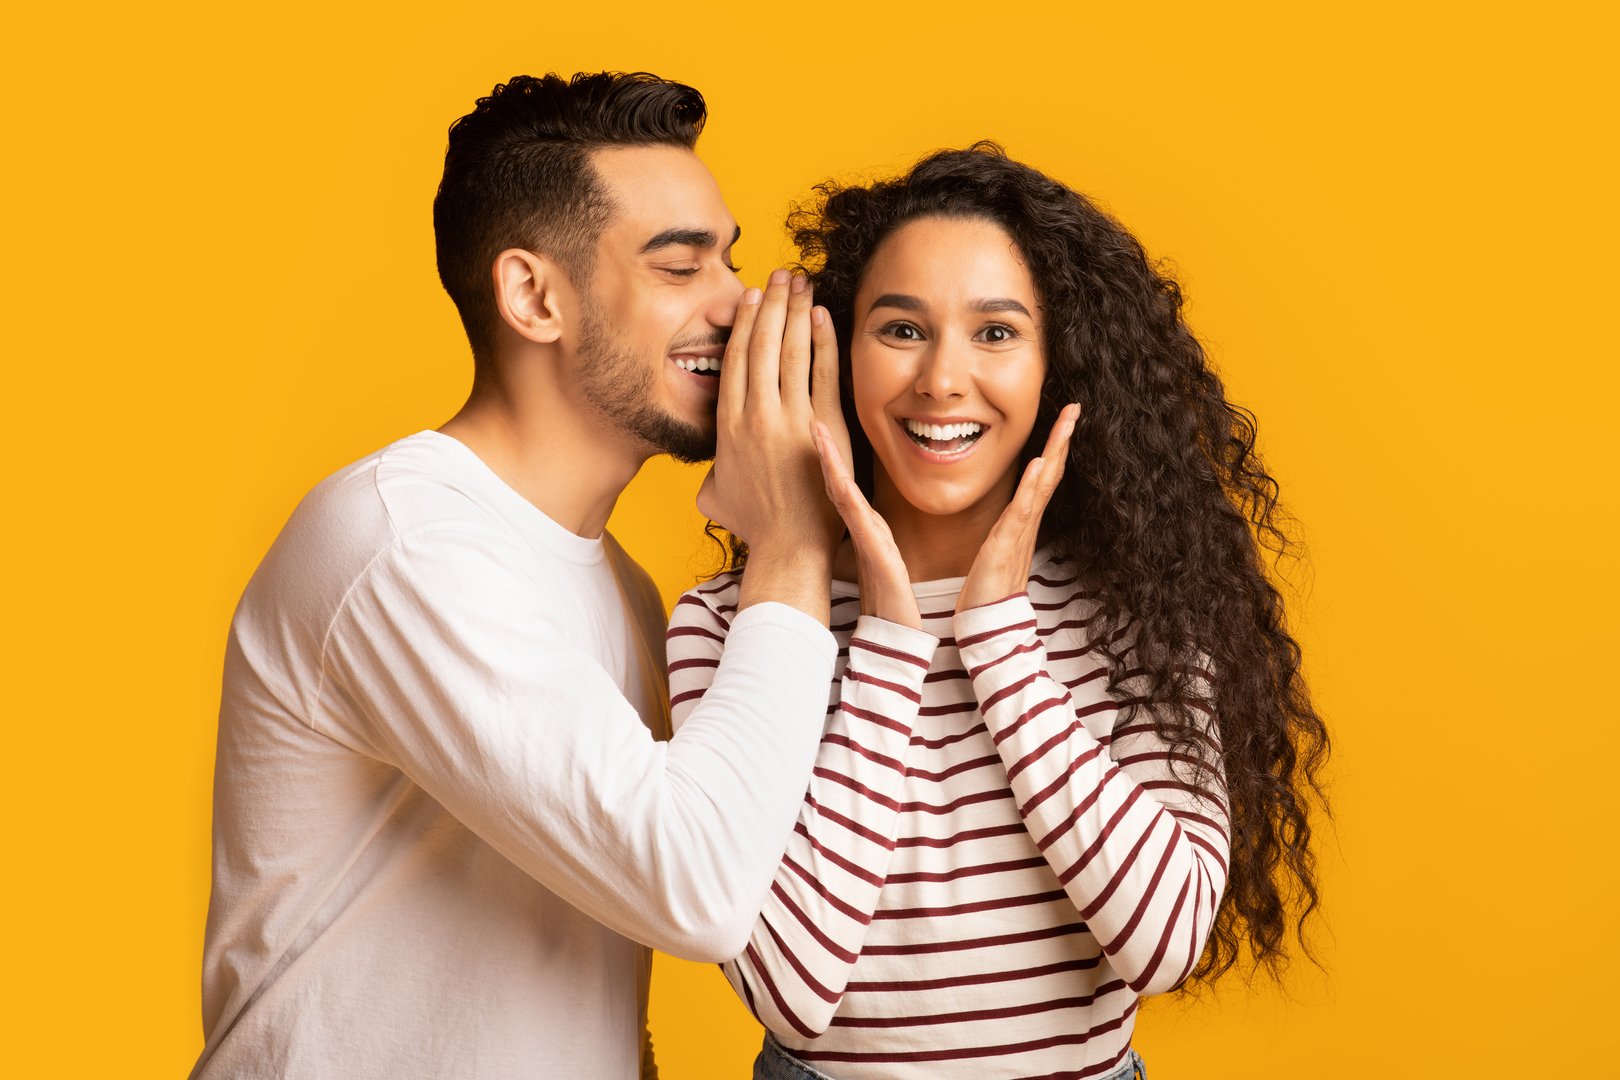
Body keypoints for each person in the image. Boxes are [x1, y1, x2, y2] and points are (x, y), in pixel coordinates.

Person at [191, 72, 854, 1079]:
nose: (737, 303)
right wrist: (794, 538)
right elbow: (699, 888)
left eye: (728, 259)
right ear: (533, 296)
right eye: (681, 267)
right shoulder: (408, 544)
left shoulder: (620, 589)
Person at [668, 143, 1330, 1079]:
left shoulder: (1139, 610)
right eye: (902, 329)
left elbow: (1168, 941)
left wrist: (1001, 645)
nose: (942, 379)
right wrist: (890, 638)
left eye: (996, 332)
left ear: (1059, 364)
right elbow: (791, 989)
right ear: (837, 356)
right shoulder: (737, 627)